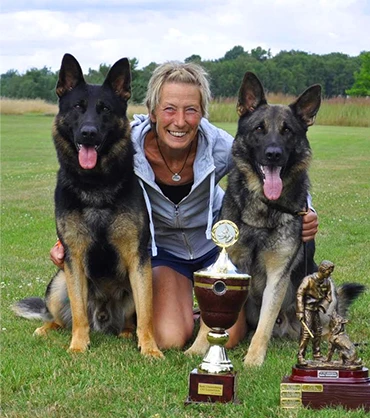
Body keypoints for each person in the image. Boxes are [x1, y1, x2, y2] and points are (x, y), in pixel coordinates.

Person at [50, 61, 319, 350]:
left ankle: (209, 313)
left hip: (216, 251)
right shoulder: (128, 148)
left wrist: (307, 209)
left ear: (202, 113)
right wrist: (68, 240)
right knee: (169, 338)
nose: (179, 121)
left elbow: (270, 166)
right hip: (168, 254)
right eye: (169, 109)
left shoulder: (220, 146)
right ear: (152, 112)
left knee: (224, 339)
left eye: (191, 110)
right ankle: (192, 314)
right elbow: (91, 191)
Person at [296, 260, 334, 365]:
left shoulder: (327, 281)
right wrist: (300, 311)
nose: (330, 273)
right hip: (307, 309)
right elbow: (300, 294)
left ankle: (317, 354)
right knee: (306, 333)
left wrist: (323, 305)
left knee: (318, 331)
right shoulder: (308, 280)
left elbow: (329, 296)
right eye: (328, 271)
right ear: (322, 269)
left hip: (316, 309)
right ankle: (300, 355)